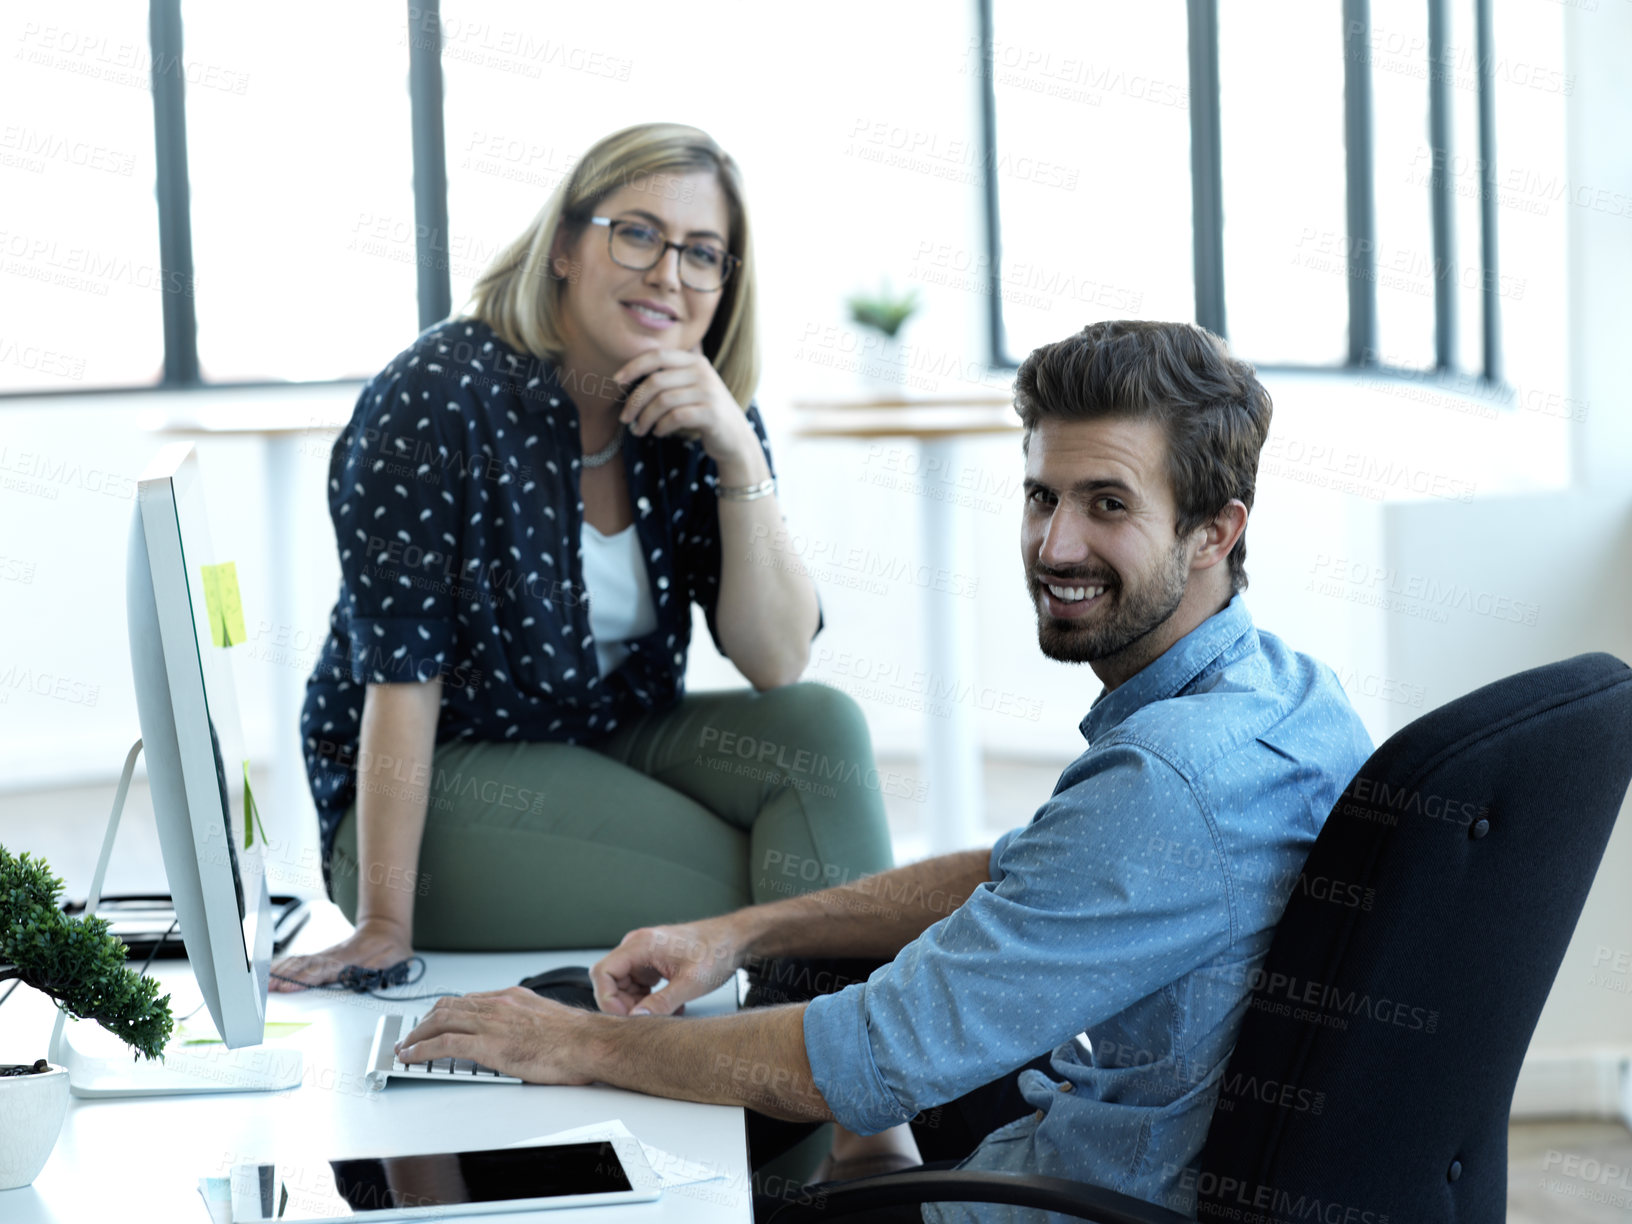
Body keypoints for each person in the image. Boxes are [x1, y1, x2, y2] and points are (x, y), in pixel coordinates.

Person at [391, 320, 1377, 1222]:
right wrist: (737, 932)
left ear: (1216, 531)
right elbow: (1022, 869)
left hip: (1067, 1200)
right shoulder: (1286, 694)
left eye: (1108, 505)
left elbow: (860, 1060)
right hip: (1097, 1152)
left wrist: (575, 1047)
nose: (1056, 543)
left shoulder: (1163, 785)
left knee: (628, 1188)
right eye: (1043, 496)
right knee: (797, 969)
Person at [274, 124, 894, 1003]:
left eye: (703, 253)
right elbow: (401, 678)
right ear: (565, 245)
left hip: (606, 734)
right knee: (803, 887)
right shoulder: (439, 396)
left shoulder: (698, 403)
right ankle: (864, 1115)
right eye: (638, 233)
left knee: (820, 727)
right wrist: (383, 922)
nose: (669, 274)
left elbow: (777, 659)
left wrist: (737, 459)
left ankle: (852, 1112)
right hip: (446, 780)